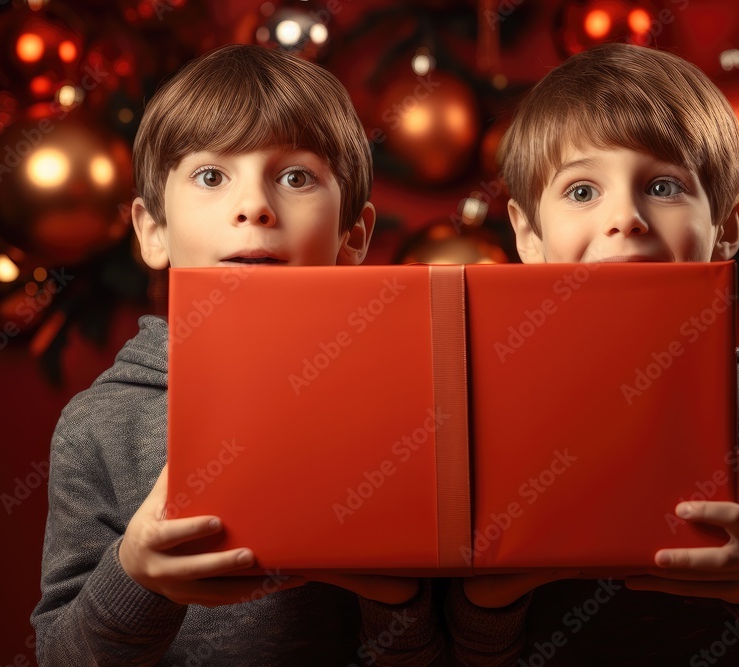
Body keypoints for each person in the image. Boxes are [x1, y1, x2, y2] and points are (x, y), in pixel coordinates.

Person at [446, 43, 739, 665]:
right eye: (583, 190)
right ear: (528, 235)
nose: (626, 217)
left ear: (725, 227)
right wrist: (489, 605)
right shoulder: (480, 415)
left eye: (664, 185)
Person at [31, 44, 447, 666]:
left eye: (296, 176)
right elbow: (59, 657)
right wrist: (136, 577)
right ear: (154, 231)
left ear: (352, 236)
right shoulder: (98, 426)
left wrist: (397, 600)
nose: (253, 206)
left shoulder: (406, 413)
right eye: (210, 176)